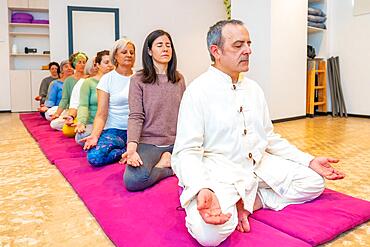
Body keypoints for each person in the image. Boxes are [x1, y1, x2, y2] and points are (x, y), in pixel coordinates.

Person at [171, 19, 345, 246]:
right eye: (238, 45)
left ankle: (252, 202)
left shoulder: (253, 89)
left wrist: (309, 160)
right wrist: (202, 186)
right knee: (209, 235)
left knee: (313, 182)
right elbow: (186, 152)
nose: (248, 50)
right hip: (219, 171)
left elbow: (269, 137)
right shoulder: (198, 91)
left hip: (257, 166)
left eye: (248, 43)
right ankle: (233, 201)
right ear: (216, 51)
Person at [121, 30, 186, 192]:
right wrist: (132, 149)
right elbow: (136, 116)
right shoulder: (138, 80)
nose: (165, 49)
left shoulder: (179, 79)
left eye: (168, 45)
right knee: (133, 180)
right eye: (159, 45)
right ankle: (167, 166)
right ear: (149, 51)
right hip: (150, 143)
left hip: (177, 143)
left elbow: (186, 114)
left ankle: (170, 160)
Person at [82, 38, 135, 166]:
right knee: (95, 157)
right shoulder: (107, 79)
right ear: (115, 56)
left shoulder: (140, 77)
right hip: (114, 130)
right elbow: (101, 114)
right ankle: (124, 151)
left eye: (132, 52)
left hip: (137, 132)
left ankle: (131, 149)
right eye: (124, 52)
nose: (129, 55)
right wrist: (95, 135)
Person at [75, 50, 114, 146]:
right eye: (106, 62)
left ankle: (105, 140)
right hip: (93, 123)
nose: (110, 65)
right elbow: (83, 105)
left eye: (112, 62)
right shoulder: (88, 82)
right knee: (81, 136)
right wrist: (81, 122)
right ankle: (108, 140)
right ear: (97, 65)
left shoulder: (116, 81)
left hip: (112, 124)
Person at [50, 52, 87, 131]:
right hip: (71, 110)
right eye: (79, 62)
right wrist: (57, 114)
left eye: (84, 62)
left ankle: (78, 126)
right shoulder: (69, 80)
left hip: (85, 110)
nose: (82, 65)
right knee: (54, 123)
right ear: (74, 64)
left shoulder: (89, 78)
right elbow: (64, 99)